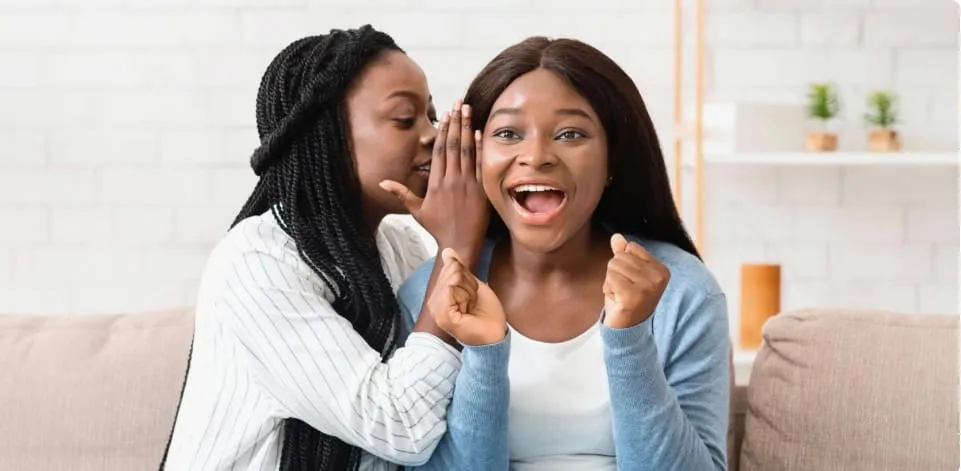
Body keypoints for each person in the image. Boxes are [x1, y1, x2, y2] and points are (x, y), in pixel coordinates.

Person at [159, 25, 505, 471]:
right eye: (404, 119)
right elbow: (400, 427)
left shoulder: (399, 248)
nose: (434, 135)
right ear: (329, 135)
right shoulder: (257, 261)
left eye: (432, 116)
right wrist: (456, 246)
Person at [398, 36, 731, 471]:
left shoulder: (682, 291)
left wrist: (631, 342)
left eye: (570, 134)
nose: (536, 156)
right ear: (475, 156)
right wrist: (483, 355)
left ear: (613, 158)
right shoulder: (432, 294)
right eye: (507, 133)